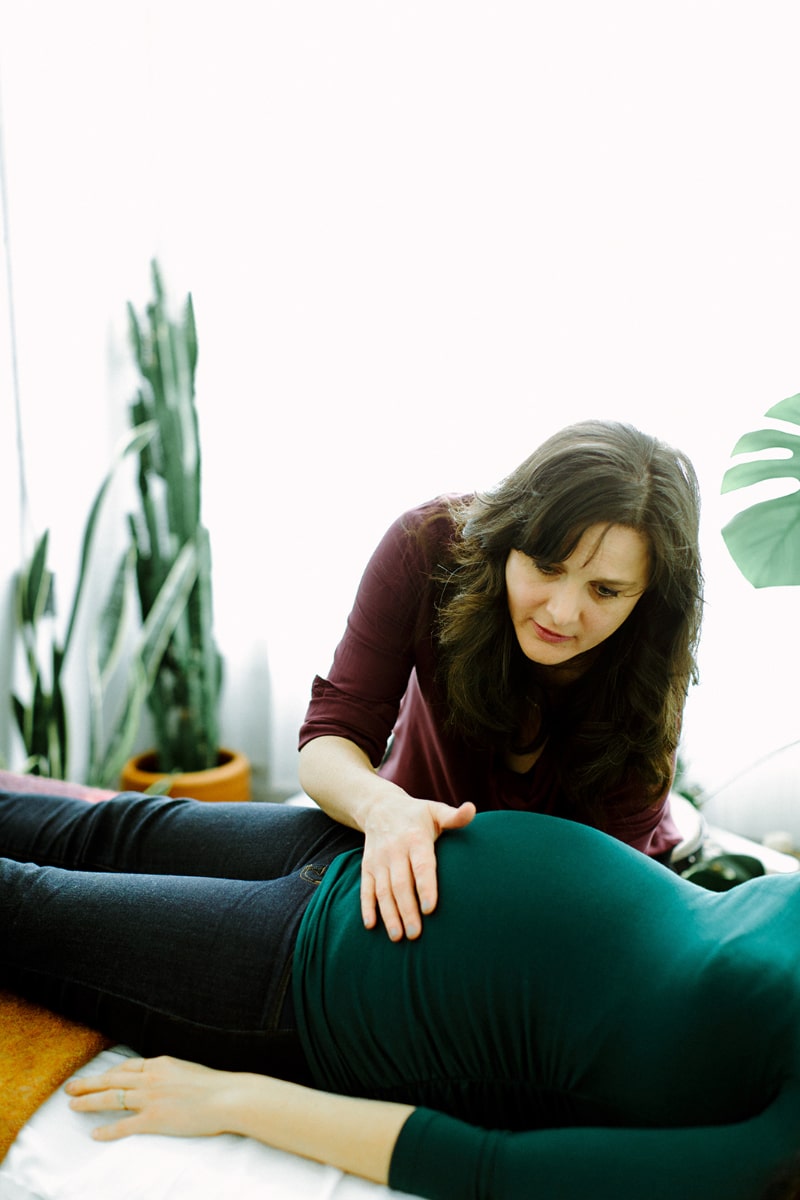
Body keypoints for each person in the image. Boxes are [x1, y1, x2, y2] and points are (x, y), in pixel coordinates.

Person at [1, 786, 799, 1200]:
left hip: (319, 979)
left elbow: (490, 1171)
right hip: (380, 846)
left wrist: (230, 1100)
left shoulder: (779, 1150)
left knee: (23, 903)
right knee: (97, 830)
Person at [298, 419, 704, 939]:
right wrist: (383, 808)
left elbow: (596, 895)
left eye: (604, 591)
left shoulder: (652, 638)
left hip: (576, 885)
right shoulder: (426, 546)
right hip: (410, 831)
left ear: (647, 596)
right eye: (546, 565)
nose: (561, 613)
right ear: (508, 537)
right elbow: (330, 737)